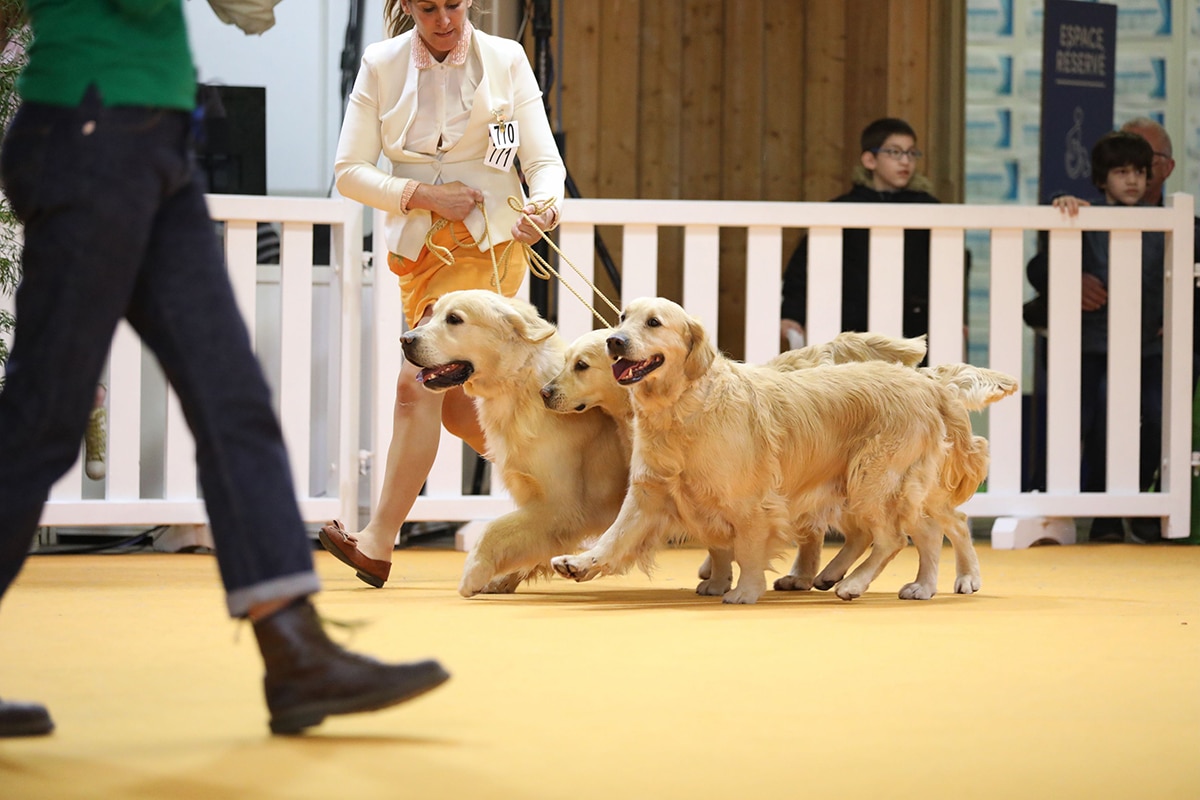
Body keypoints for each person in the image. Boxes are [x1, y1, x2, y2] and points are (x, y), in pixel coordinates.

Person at [0, 0, 449, 737]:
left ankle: (294, 651)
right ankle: (295, 647)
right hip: (93, 129)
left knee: (232, 399)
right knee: (43, 419)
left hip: (152, 139)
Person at [320, 0, 565, 587]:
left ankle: (377, 541)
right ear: (407, 5)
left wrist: (545, 208)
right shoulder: (380, 63)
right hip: (421, 255)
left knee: (416, 385)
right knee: (459, 409)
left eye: (453, 4)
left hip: (490, 250)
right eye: (427, 7)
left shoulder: (507, 57)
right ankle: (561, 495)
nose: (444, 19)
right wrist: (424, 196)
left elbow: (544, 163)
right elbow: (348, 170)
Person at [1026, 131, 1165, 543]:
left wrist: (1170, 316)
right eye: (1121, 172)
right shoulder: (1081, 215)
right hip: (1088, 342)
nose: (1132, 181)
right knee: (1080, 421)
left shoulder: (1167, 224)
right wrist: (1061, 208)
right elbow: (1040, 266)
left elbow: (1176, 279)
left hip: (1146, 345)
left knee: (1153, 418)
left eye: (1139, 172)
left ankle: (1126, 507)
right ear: (1102, 179)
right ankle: (1055, 508)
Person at [780, 117, 940, 351]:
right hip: (851, 328)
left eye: (911, 153)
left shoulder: (930, 210)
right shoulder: (842, 209)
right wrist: (792, 313)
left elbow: (951, 268)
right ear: (869, 160)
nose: (905, 161)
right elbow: (806, 265)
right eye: (894, 152)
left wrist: (958, 318)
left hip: (915, 328)